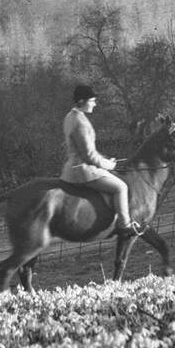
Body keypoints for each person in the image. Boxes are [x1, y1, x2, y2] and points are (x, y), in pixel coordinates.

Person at [60, 84, 137, 236]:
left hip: (72, 166)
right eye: (92, 100)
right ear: (82, 101)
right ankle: (125, 226)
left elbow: (86, 151)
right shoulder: (80, 122)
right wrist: (109, 164)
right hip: (83, 171)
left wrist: (104, 158)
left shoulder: (70, 116)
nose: (95, 104)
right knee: (121, 187)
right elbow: (88, 156)